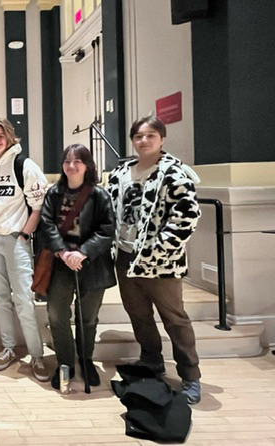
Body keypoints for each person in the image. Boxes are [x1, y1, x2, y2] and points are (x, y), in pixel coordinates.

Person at [106, 116, 203, 404]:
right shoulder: (121, 172)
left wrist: (158, 249)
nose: (144, 141)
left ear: (161, 139)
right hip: (125, 256)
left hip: (162, 262)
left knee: (175, 319)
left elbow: (187, 217)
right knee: (138, 314)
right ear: (132, 140)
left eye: (150, 135)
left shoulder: (174, 173)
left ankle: (190, 376)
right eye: (138, 136)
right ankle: (151, 361)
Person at [0, 117, 50, 382]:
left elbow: (37, 208)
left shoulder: (24, 166)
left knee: (24, 300)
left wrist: (24, 235)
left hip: (16, 240)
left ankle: (37, 355)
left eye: (0, 135)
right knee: (1, 299)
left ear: (9, 137)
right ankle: (8, 348)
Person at [39, 144, 116, 390]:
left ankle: (86, 360)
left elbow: (107, 231)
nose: (71, 166)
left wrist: (83, 252)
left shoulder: (99, 195)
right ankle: (66, 364)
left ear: (87, 165)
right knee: (56, 315)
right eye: (67, 161)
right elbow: (47, 224)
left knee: (88, 318)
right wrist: (62, 251)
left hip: (91, 265)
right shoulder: (54, 193)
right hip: (61, 263)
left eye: (77, 161)